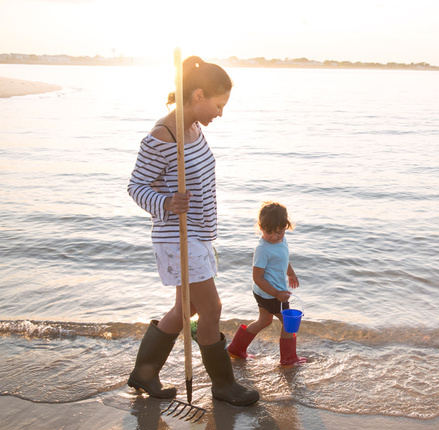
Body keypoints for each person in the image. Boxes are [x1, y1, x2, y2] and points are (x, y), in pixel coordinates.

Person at [126, 55, 259, 406]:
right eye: (219, 104)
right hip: (177, 238)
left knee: (185, 312)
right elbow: (137, 187)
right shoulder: (162, 136)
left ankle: (143, 373)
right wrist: (167, 202)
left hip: (198, 234)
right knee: (211, 309)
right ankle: (223, 385)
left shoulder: (194, 129)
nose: (220, 113)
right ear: (198, 95)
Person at [227, 201, 307, 365]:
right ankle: (289, 358)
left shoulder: (281, 241)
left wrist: (290, 273)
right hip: (270, 293)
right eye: (268, 232)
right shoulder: (262, 249)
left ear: (286, 227)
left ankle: (236, 348)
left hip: (267, 292)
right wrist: (276, 294)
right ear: (260, 227)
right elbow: (257, 277)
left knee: (264, 321)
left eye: (279, 232)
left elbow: (283, 259)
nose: (273, 237)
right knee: (288, 324)